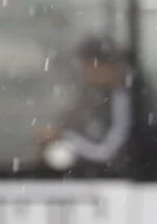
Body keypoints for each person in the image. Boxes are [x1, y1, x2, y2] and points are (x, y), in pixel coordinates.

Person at [36, 36, 133, 169]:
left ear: (107, 67)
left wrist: (64, 137)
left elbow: (107, 151)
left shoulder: (124, 98)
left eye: (87, 66)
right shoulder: (99, 96)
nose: (83, 72)